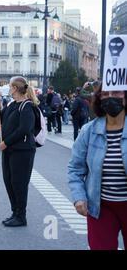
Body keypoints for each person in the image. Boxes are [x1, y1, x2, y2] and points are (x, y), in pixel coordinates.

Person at [68, 87, 127, 250]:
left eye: (116, 93)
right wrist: (79, 196)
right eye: (105, 94)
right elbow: (75, 168)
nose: (110, 98)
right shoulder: (89, 130)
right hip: (101, 207)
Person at [0, 76, 37, 227]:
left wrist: (6, 142)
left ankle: (21, 216)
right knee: (9, 181)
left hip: (22, 151)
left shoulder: (27, 106)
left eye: (10, 86)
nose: (8, 88)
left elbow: (24, 129)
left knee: (19, 183)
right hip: (10, 150)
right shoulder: (12, 104)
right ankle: (15, 212)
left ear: (14, 88)